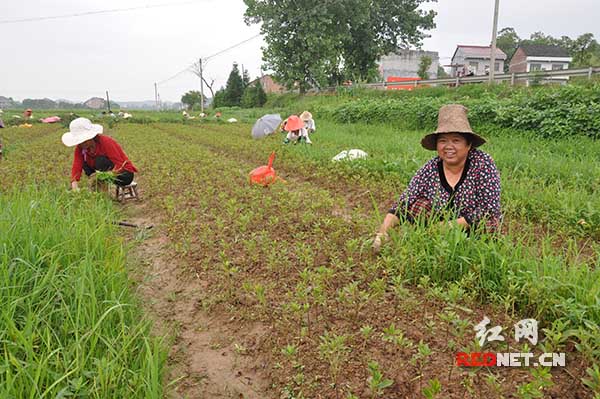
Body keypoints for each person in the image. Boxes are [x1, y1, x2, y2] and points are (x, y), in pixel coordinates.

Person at [372, 104, 502, 254]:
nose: (448, 146)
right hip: (439, 225)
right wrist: (382, 233)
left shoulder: (483, 164)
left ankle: (474, 251)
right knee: (417, 205)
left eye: (456, 140)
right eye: (443, 141)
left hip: (471, 227)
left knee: (489, 222)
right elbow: (404, 202)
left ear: (469, 145)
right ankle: (432, 245)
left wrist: (448, 227)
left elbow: (489, 208)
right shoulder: (431, 168)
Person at [61, 117, 137, 191]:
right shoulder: (80, 147)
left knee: (100, 161)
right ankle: (99, 188)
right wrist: (74, 184)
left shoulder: (105, 142)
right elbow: (77, 165)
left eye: (84, 140)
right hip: (105, 174)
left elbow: (120, 164)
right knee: (84, 163)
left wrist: (103, 175)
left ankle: (101, 187)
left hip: (124, 174)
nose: (82, 143)